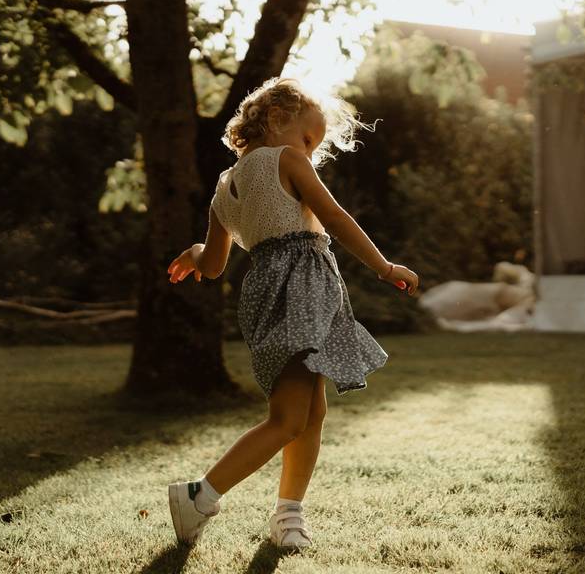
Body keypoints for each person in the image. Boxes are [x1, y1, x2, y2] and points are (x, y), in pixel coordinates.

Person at [165, 77, 419, 550]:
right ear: (278, 119)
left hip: (266, 292)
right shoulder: (286, 159)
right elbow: (337, 217)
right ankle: (200, 495)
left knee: (310, 412)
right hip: (302, 290)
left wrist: (197, 251)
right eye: (309, 138)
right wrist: (384, 267)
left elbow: (216, 266)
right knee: (288, 418)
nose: (310, 151)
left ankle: (288, 517)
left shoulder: (225, 185)